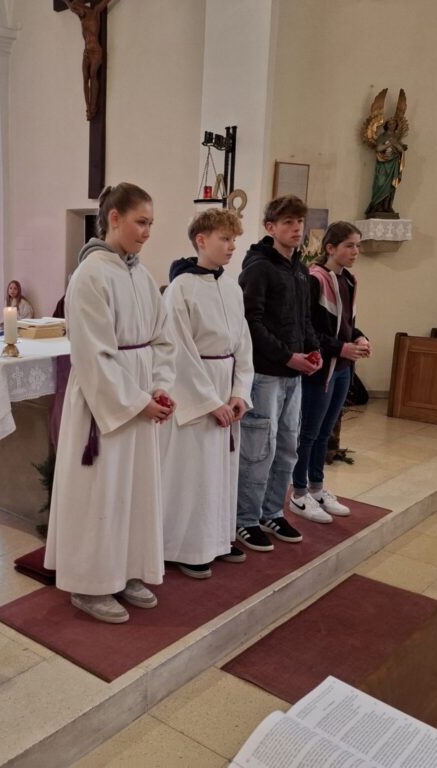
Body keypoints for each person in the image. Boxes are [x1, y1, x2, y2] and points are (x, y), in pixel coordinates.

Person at [44, 183, 176, 624]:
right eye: (141, 222)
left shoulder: (140, 274)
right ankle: (90, 583)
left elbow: (162, 339)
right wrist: (136, 401)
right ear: (114, 218)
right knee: (101, 493)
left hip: (140, 398)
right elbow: (93, 355)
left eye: (151, 223)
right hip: (105, 405)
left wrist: (160, 387)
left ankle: (128, 569)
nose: (147, 232)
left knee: (134, 491)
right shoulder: (90, 275)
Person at [160, 208, 253, 578]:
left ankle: (217, 539)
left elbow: (243, 343)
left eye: (234, 240)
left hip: (226, 385)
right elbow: (177, 351)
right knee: (193, 474)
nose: (232, 246)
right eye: (225, 239)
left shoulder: (232, 287)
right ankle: (186, 546)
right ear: (201, 240)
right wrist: (210, 402)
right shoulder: (181, 288)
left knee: (221, 471)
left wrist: (239, 392)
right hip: (196, 392)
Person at [235, 195, 322, 553]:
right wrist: (287, 356)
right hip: (266, 374)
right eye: (288, 222)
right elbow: (250, 322)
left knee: (287, 446)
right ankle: (245, 519)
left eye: (299, 221)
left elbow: (305, 319)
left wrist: (313, 350)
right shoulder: (259, 268)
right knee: (259, 450)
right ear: (270, 227)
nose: (296, 228)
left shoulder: (300, 269)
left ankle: (272, 511)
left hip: (293, 375)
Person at [289, 222, 371, 523]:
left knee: (326, 432)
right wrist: (340, 348)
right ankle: (298, 493)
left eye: (358, 245)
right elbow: (308, 328)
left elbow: (346, 324)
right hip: (321, 367)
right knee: (308, 433)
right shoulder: (315, 279)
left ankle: (317, 487)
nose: (355, 251)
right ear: (330, 248)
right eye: (349, 245)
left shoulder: (347, 280)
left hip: (342, 368)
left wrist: (359, 338)